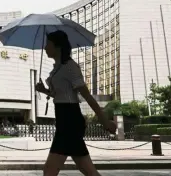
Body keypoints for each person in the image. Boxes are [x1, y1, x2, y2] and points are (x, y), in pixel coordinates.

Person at [35, 30, 116, 176]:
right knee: (87, 169)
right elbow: (59, 94)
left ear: (58, 46)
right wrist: (44, 90)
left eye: (48, 44)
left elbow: (87, 96)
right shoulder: (58, 68)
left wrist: (104, 121)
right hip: (64, 119)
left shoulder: (70, 67)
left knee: (50, 170)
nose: (45, 48)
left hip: (70, 120)